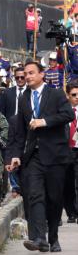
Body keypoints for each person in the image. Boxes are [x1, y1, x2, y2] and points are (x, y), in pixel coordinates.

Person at [7, 61, 73, 252]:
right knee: (35, 196)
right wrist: (16, 155)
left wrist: (44, 121)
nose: (27, 77)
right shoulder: (24, 97)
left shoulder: (56, 94)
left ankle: (53, 238)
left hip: (55, 156)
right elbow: (19, 129)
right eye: (25, 74)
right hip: (33, 156)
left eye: (31, 73)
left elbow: (68, 115)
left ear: (42, 74)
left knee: (54, 199)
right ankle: (39, 238)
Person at [64, 80, 78, 223]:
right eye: (74, 95)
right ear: (68, 95)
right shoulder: (63, 110)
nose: (77, 97)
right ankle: (71, 213)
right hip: (66, 150)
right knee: (68, 183)